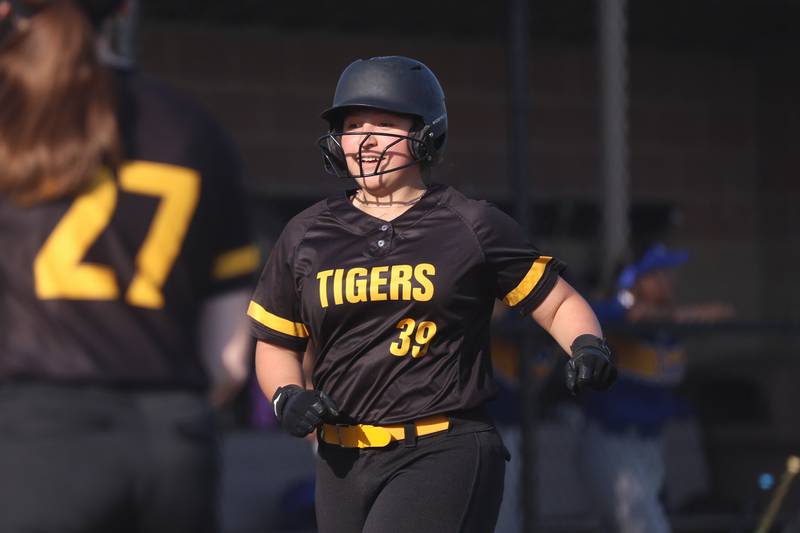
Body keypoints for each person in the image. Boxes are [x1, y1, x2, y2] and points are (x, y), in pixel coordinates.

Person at [247, 55, 617, 533]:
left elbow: (559, 302)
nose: (366, 139)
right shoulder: (305, 233)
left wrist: (587, 345)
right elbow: (277, 341)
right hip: (341, 458)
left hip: (442, 448)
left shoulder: (470, 223)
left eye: (384, 123)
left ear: (425, 133)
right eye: (354, 125)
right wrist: (286, 395)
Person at [0, 1, 258, 532]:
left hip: (36, 444)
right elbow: (231, 357)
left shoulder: (10, 110)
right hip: (172, 450)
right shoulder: (193, 128)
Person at [579, 243, 734, 533]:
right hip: (613, 442)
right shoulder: (616, 311)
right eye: (658, 273)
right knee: (645, 525)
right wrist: (678, 317)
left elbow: (723, 312)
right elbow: (625, 315)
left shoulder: (669, 320)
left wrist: (681, 316)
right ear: (635, 279)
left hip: (651, 446)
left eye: (669, 272)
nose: (669, 280)